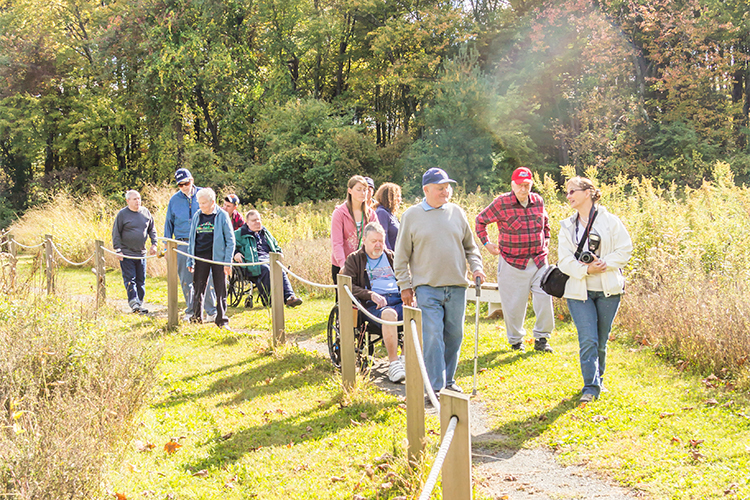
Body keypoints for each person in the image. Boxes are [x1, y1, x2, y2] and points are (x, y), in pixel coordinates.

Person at [394, 167, 485, 396]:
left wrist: (477, 268)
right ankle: (435, 387)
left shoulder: (457, 212)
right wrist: (405, 285)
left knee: (454, 335)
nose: (446, 191)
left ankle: (449, 379)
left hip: (456, 286)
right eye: (440, 188)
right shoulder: (411, 215)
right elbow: (401, 256)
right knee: (433, 335)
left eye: (447, 187)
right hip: (427, 288)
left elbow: (471, 248)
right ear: (426, 190)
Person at [558, 176, 632, 403]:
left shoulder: (610, 221)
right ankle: (590, 387)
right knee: (588, 339)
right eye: (567, 192)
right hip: (579, 291)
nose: (568, 196)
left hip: (608, 289)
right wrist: (587, 270)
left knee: (600, 340)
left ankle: (598, 379)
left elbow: (625, 249)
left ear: (588, 192)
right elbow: (563, 261)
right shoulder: (567, 227)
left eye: (573, 191)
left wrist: (605, 264)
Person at [475, 166, 555, 353]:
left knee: (545, 299)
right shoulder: (502, 202)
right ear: (512, 184)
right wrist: (487, 243)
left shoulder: (538, 201)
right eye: (519, 185)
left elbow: (546, 225)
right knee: (514, 305)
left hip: (539, 260)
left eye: (526, 185)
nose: (523, 189)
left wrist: (547, 242)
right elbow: (480, 221)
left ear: (531, 185)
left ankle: (542, 339)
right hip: (512, 262)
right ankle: (516, 341)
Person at [343, 222, 405, 383]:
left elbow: (406, 277)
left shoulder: (391, 256)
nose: (378, 245)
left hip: (398, 299)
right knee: (389, 314)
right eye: (374, 241)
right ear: (364, 240)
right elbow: (347, 286)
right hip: (373, 305)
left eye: (381, 241)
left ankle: (405, 358)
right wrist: (370, 294)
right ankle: (393, 364)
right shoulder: (355, 259)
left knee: (419, 310)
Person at [164, 168, 217, 322]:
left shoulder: (204, 195)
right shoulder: (174, 200)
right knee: (186, 280)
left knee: (207, 278)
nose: (184, 186)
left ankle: (211, 311)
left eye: (186, 182)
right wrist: (167, 246)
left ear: (192, 180)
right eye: (180, 185)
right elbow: (168, 224)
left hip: (203, 242)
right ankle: (191, 311)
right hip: (182, 242)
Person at [186, 188, 235, 328]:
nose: (201, 206)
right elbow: (192, 239)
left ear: (212, 202)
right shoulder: (197, 215)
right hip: (200, 257)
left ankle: (221, 320)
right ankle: (196, 318)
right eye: (199, 203)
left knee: (220, 290)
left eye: (204, 203)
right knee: (198, 288)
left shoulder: (222, 215)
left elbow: (230, 241)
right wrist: (190, 259)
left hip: (218, 258)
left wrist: (227, 263)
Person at [233, 209, 303, 307]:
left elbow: (276, 245)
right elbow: (229, 246)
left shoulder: (265, 232)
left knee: (280, 268)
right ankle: (270, 301)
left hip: (270, 258)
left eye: (259, 220)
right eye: (254, 220)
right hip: (252, 262)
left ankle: (290, 297)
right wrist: (235, 253)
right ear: (247, 222)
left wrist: (279, 252)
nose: (257, 222)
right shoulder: (239, 234)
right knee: (266, 269)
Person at [112, 190, 158, 314]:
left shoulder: (145, 212)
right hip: (127, 253)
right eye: (134, 199)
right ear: (128, 201)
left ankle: (139, 303)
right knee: (130, 279)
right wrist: (118, 250)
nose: (137, 201)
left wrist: (154, 244)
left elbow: (152, 229)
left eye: (138, 198)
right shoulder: (122, 214)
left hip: (141, 253)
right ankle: (134, 303)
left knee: (141, 280)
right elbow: (116, 233)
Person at [331, 175, 377, 284]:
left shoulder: (371, 214)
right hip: (343, 265)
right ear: (350, 191)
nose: (363, 193)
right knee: (344, 300)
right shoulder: (339, 213)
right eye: (359, 189)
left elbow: (377, 238)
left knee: (365, 299)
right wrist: (344, 265)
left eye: (365, 190)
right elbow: (337, 243)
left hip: (364, 265)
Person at [374, 182, 402, 251]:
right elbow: (383, 239)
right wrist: (390, 257)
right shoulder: (381, 213)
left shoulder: (391, 215)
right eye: (397, 196)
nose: (400, 199)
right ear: (390, 197)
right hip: (389, 258)